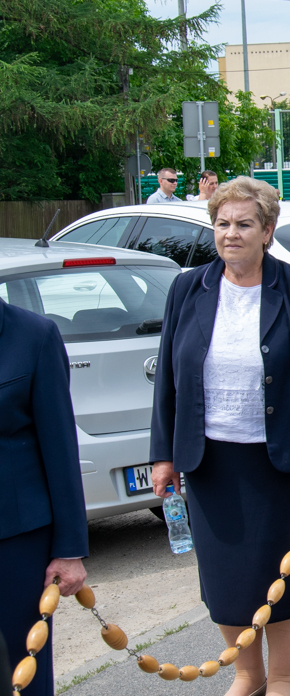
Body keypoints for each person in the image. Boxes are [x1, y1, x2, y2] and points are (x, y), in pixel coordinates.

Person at [150, 176, 290, 696]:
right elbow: (169, 377)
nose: (231, 234)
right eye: (222, 224)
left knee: (286, 573)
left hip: (282, 459)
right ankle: (247, 672)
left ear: (267, 230)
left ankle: (282, 674)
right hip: (211, 461)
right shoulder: (188, 288)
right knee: (227, 577)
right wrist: (163, 455)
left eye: (243, 224)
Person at [0, 298, 88, 696]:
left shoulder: (32, 335)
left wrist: (69, 549)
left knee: (21, 674)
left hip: (14, 542)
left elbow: (60, 449)